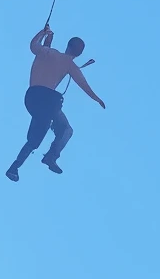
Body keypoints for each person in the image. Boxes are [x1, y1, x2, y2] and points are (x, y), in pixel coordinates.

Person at [6, 23, 106, 179]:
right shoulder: (69, 64)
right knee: (64, 130)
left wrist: (43, 33)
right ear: (79, 53)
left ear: (68, 45)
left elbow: (33, 46)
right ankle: (50, 157)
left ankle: (16, 167)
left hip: (32, 98)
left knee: (37, 138)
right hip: (47, 102)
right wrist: (97, 98)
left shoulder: (47, 52)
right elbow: (83, 84)